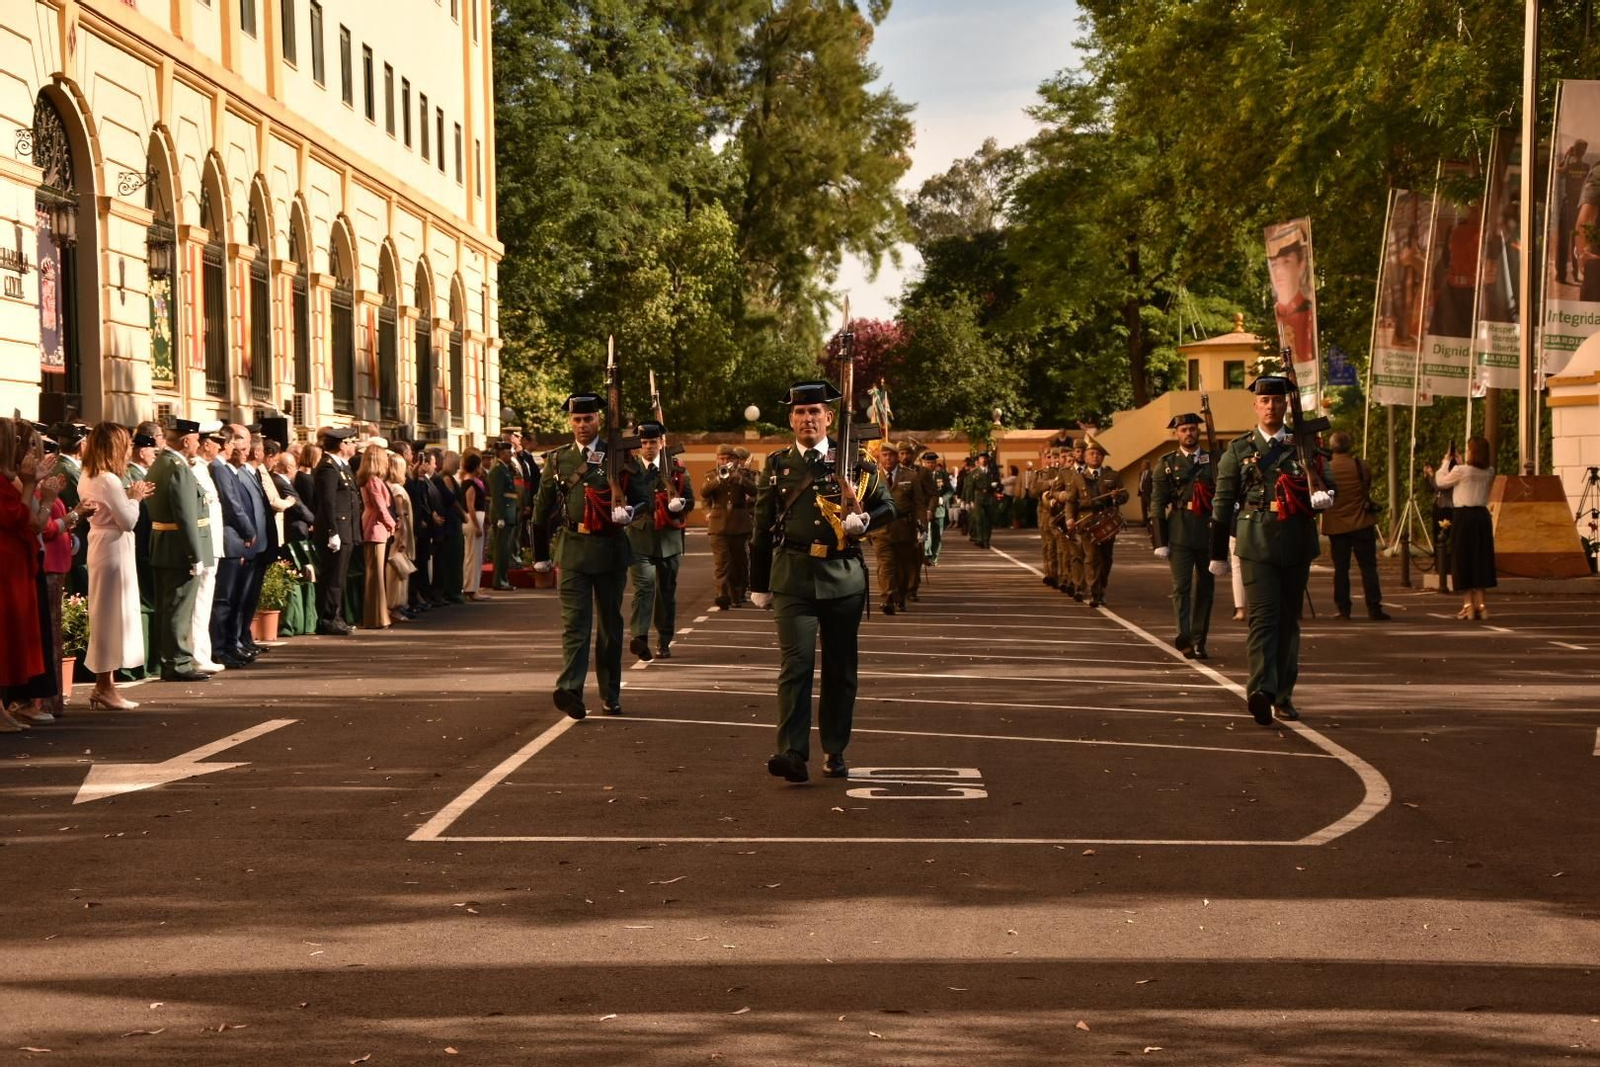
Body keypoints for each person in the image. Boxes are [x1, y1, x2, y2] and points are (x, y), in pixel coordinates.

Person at [750, 380, 896, 783]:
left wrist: (865, 520)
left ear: (829, 418)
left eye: (814, 412)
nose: (807, 418)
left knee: (839, 668)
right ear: (790, 420)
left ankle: (835, 747)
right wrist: (758, 582)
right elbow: (761, 528)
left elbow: (889, 505)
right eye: (800, 412)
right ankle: (793, 752)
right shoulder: (777, 465)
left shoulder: (856, 461)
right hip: (792, 577)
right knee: (795, 664)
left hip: (842, 579)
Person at [1209, 375, 1336, 725]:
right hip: (1255, 542)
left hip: (1295, 542)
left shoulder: (1304, 445)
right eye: (1265, 401)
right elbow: (1222, 502)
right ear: (1255, 406)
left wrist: (1325, 497)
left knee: (1288, 623)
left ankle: (1283, 694)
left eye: (1277, 401)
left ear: (1285, 405)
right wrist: (1218, 552)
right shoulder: (1239, 450)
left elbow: (1328, 484)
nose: (1271, 406)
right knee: (1263, 620)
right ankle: (1261, 691)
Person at [532, 392, 651, 719]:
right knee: (575, 625)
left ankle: (611, 693)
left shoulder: (620, 455)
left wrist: (631, 510)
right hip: (572, 550)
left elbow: (645, 499)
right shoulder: (557, 460)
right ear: (570, 422)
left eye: (588, 418)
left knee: (611, 627)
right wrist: (540, 554)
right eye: (577, 419)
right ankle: (570, 689)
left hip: (610, 549)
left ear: (599, 419)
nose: (583, 425)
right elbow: (540, 510)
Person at [78, 423, 151, 709]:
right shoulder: (107, 479)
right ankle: (104, 685)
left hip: (102, 544)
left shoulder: (89, 474)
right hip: (112, 548)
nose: (130, 449)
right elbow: (128, 520)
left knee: (107, 614)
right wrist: (134, 498)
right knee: (110, 616)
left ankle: (105, 684)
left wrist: (130, 497)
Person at [1, 420, 62, 728]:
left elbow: (30, 519)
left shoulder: (8, 478)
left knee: (13, 636)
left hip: (18, 561)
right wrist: (29, 486)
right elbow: (20, 518)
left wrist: (42, 495)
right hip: (7, 563)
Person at [147, 419, 216, 682]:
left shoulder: (163, 463)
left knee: (170, 606)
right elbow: (186, 514)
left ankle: (171, 659)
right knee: (178, 607)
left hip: (165, 544)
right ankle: (178, 662)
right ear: (186, 440)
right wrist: (194, 554)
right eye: (197, 439)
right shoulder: (176, 467)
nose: (199, 443)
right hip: (178, 547)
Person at [626, 420, 695, 659]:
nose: (648, 447)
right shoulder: (630, 469)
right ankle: (640, 637)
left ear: (661, 443)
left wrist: (680, 504)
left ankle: (664, 640)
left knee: (666, 592)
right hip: (639, 536)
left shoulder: (675, 467)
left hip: (668, 539)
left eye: (652, 442)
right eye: (643, 443)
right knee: (644, 587)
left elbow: (690, 500)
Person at [1150, 414, 1215, 659]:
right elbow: (1157, 502)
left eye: (1192, 429)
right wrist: (1160, 540)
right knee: (1181, 588)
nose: (1188, 433)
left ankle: (1200, 639)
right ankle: (1184, 636)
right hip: (1179, 530)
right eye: (1183, 430)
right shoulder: (1166, 464)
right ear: (1176, 434)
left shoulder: (1214, 461)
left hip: (1208, 530)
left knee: (1206, 588)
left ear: (1198, 431)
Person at [1321, 431, 1390, 621]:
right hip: (1362, 522)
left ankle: (1344, 609)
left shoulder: (1326, 468)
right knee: (1368, 567)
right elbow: (1366, 487)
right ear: (1350, 446)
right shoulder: (1361, 466)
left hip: (1336, 525)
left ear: (1332, 447)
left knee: (1341, 569)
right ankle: (1374, 607)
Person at [1433, 436, 1498, 620]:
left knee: (1463, 559)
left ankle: (1468, 605)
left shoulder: (1461, 471)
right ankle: (1482, 605)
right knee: (1480, 559)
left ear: (1472, 452)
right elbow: (1472, 474)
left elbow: (1441, 481)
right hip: (1482, 517)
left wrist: (1446, 462)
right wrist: (1461, 464)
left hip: (1464, 517)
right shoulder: (1490, 471)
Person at [1065, 437, 1128, 608]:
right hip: (1086, 522)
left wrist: (1118, 496)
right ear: (1085, 457)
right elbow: (1071, 501)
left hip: (1107, 522)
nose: (1095, 457)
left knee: (1106, 558)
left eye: (1098, 454)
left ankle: (1102, 587)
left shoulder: (1112, 475)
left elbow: (1125, 496)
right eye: (1091, 453)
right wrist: (1069, 518)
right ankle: (1095, 592)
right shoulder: (1078, 478)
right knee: (1091, 557)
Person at [123, 421, 161, 681]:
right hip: (137, 545)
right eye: (151, 450)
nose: (154, 455)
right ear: (140, 451)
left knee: (150, 602)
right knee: (143, 604)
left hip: (146, 545)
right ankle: (141, 663)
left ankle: (149, 660)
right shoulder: (130, 477)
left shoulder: (143, 475)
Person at [313, 427, 360, 635]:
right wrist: (332, 530)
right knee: (332, 577)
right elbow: (328, 502)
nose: (354, 445)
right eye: (351, 442)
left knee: (339, 577)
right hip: (337, 530)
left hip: (346, 529)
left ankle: (335, 615)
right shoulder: (328, 467)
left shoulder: (342, 466)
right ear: (342, 445)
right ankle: (327, 618)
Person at [870, 441, 924, 615]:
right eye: (884, 455)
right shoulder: (873, 476)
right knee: (885, 565)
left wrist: (922, 527)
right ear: (879, 456)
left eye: (891, 455)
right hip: (881, 529)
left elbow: (919, 504)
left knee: (903, 567)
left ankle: (900, 597)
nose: (888, 458)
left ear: (897, 457)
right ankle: (887, 599)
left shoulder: (911, 476)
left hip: (904, 529)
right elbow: (866, 504)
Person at [702, 443, 757, 611]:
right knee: (722, 563)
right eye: (721, 458)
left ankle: (737, 593)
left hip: (739, 524)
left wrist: (739, 479)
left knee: (739, 562)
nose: (724, 461)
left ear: (734, 460)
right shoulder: (711, 475)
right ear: (717, 459)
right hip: (718, 525)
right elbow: (704, 493)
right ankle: (722, 595)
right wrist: (719, 479)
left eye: (727, 458)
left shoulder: (744, 474)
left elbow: (755, 491)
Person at [358, 443, 396, 629]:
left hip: (377, 526)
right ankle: (375, 616)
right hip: (375, 527)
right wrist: (392, 523)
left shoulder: (373, 480)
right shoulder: (373, 481)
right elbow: (380, 506)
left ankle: (379, 615)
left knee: (376, 575)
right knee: (375, 576)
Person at [384, 453, 416, 621]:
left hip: (399, 531)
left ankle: (397, 606)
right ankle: (394, 606)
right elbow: (400, 514)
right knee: (397, 570)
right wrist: (402, 537)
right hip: (399, 533)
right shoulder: (396, 489)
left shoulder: (390, 486)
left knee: (398, 569)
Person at [432, 451, 466, 605]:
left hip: (453, 520)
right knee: (453, 556)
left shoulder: (447, 478)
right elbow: (452, 500)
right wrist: (463, 515)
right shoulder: (446, 478)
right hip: (452, 521)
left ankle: (453, 590)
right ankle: (452, 590)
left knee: (455, 556)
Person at [488, 440, 521, 590]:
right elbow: (497, 495)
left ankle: (503, 579)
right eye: (509, 452)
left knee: (505, 549)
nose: (511, 454)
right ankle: (499, 581)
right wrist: (500, 516)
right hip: (503, 514)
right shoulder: (497, 470)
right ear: (502, 453)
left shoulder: (505, 468)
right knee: (501, 549)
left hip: (509, 513)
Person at [460, 451, 490, 601]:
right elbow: (470, 506)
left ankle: (473, 586)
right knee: (473, 556)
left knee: (475, 555)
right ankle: (471, 588)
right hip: (473, 520)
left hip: (476, 519)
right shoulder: (469, 483)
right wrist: (478, 526)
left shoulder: (472, 481)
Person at [921, 450, 950, 565]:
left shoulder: (942, 474)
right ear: (923, 463)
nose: (930, 465)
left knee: (937, 534)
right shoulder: (919, 475)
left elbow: (950, 490)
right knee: (925, 532)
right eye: (928, 462)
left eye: (933, 462)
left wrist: (943, 499)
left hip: (938, 509)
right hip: (925, 508)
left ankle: (934, 557)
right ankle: (926, 555)